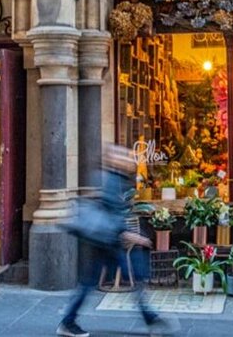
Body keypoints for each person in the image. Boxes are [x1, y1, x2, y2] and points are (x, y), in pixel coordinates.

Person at [58, 144, 177, 337]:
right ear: (111, 159)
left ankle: (150, 318)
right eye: (121, 154)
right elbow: (112, 214)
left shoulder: (119, 179)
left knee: (128, 278)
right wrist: (133, 236)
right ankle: (68, 321)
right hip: (107, 241)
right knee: (99, 281)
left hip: (109, 241)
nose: (127, 157)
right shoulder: (112, 180)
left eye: (126, 154)